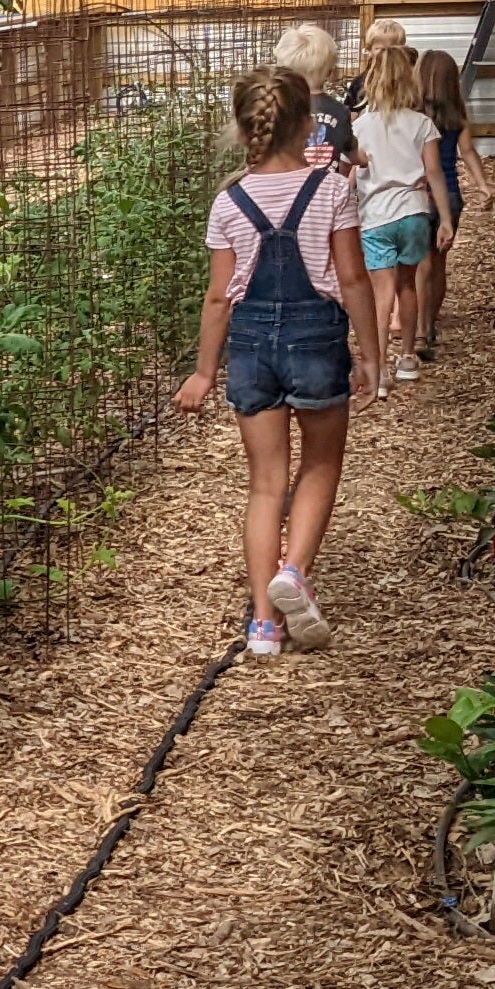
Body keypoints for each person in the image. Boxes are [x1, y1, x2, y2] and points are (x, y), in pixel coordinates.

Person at [174, 66, 380, 658]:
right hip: (316, 340)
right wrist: (371, 357)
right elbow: (353, 279)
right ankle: (293, 571)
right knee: (319, 465)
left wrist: (205, 371)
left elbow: (219, 296)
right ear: (310, 126)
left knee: (265, 483)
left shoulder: (228, 202)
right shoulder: (333, 190)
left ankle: (263, 623)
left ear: (244, 132)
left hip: (250, 346)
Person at [352, 39, 450, 383]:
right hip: (414, 213)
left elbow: (350, 170)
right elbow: (435, 174)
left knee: (380, 293)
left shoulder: (360, 127)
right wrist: (446, 219)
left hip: (375, 216)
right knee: (408, 286)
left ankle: (377, 368)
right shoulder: (422, 124)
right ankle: (407, 357)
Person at [416, 47, 470, 358]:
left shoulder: (413, 116)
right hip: (449, 196)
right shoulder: (456, 116)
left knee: (420, 265)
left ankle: (420, 331)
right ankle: (430, 324)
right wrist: (483, 184)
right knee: (439, 265)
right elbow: (469, 151)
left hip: (420, 195)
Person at [273, 20, 358, 171]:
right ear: (329, 72)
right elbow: (353, 152)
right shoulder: (339, 111)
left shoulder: (278, 106)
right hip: (326, 187)